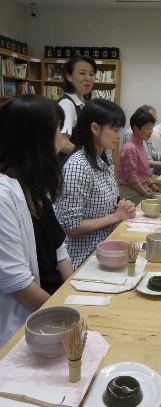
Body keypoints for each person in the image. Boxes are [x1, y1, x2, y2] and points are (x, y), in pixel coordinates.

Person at [0, 94, 74, 348]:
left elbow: (59, 250)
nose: (63, 138)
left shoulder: (35, 185)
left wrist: (75, 295)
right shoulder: (3, 194)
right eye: (58, 130)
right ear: (36, 138)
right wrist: (68, 319)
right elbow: (18, 284)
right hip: (30, 321)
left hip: (54, 303)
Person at [54, 99, 136, 270]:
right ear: (95, 128)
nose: (118, 135)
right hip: (85, 257)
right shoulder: (78, 166)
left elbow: (105, 205)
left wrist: (121, 207)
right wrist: (115, 217)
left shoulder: (104, 158)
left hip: (107, 248)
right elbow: (71, 226)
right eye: (114, 129)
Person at [120, 105, 161, 177]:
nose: (152, 123)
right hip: (141, 178)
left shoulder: (145, 133)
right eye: (150, 119)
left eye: (154, 120)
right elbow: (138, 164)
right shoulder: (131, 134)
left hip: (148, 176)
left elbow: (152, 154)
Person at [118, 107, 161, 205]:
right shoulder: (130, 148)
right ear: (135, 128)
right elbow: (132, 179)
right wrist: (147, 194)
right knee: (159, 206)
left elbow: (143, 171)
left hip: (141, 188)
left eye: (151, 128)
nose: (151, 131)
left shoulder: (141, 144)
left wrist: (152, 184)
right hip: (130, 192)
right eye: (147, 128)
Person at [58, 55, 97, 159]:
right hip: (67, 168)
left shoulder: (82, 103)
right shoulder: (67, 104)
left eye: (91, 74)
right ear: (69, 76)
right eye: (82, 73)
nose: (88, 78)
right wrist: (88, 158)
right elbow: (62, 143)